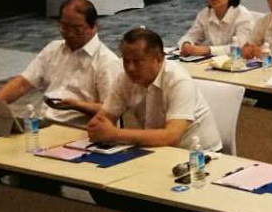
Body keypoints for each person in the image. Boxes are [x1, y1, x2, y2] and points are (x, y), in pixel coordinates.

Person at [85, 28, 223, 151]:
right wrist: (98, 127)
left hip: (197, 154)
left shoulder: (178, 80)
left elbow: (171, 136)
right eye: (126, 61)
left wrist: (115, 134)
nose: (130, 68)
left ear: (158, 59)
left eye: (138, 61)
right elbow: (102, 118)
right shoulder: (125, 78)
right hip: (154, 149)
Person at [0, 0, 119, 126]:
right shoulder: (53, 48)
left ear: (94, 26)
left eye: (77, 29)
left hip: (76, 129)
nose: (69, 34)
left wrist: (78, 105)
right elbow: (23, 83)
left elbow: (112, 111)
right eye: (64, 27)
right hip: (43, 122)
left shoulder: (107, 62)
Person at [177, 0, 257, 57]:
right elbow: (191, 36)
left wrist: (208, 50)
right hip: (212, 62)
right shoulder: (205, 14)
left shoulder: (243, 16)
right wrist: (186, 44)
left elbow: (241, 47)